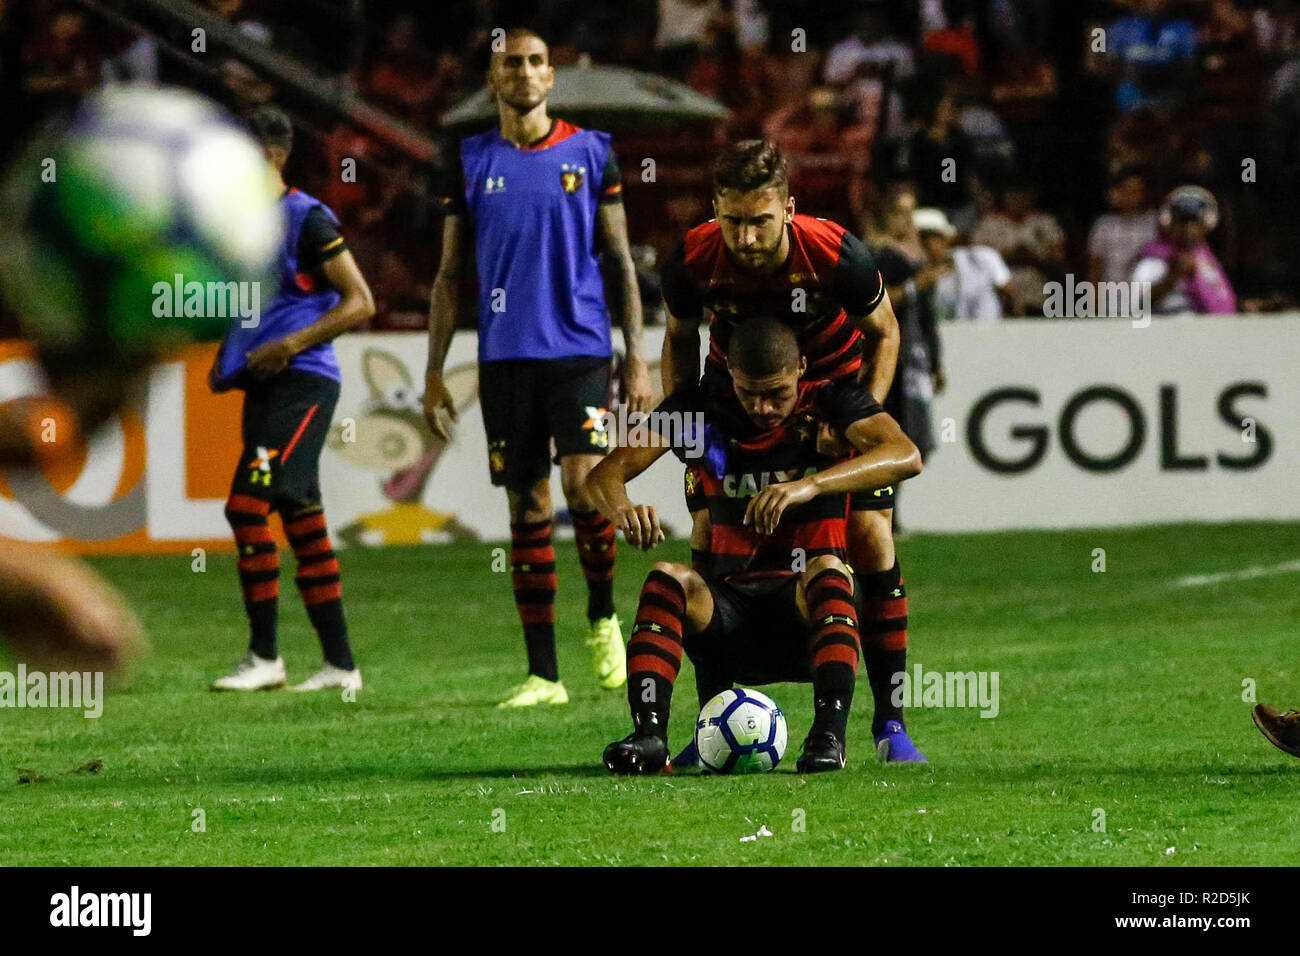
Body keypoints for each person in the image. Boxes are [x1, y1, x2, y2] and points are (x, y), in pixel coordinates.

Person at [660, 139, 927, 763]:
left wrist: (862, 413)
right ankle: (711, 723)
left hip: (835, 396)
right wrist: (685, 419)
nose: (747, 238)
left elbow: (884, 331)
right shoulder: (692, 260)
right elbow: (679, 335)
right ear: (714, 212)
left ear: (788, 208)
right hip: (740, 399)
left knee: (869, 539)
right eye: (733, 221)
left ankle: (889, 726)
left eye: (760, 220)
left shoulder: (835, 252)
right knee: (711, 535)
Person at [423, 29, 653, 707]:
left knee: (584, 486)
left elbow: (619, 260)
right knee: (526, 504)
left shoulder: (592, 152)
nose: (522, 73)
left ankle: (603, 613)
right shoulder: (467, 160)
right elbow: (447, 276)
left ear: (551, 77)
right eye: (509, 63)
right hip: (504, 357)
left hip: (579, 348)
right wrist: (435, 371)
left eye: (533, 62)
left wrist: (635, 355)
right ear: (493, 80)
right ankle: (543, 675)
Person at [589, 319, 922, 773]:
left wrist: (809, 486)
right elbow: (603, 475)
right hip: (729, 619)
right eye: (750, 394)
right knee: (667, 578)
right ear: (730, 375)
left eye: (777, 394)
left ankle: (828, 737)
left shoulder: (833, 403)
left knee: (828, 567)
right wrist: (623, 508)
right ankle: (649, 736)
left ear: (802, 368)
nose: (763, 407)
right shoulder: (699, 410)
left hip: (810, 620)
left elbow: (906, 456)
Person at [208, 106, 376, 692]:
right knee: (301, 517)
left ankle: (264, 657)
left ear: (271, 155)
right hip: (264, 383)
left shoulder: (307, 219)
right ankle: (340, 665)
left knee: (246, 505)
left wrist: (291, 343)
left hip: (304, 379)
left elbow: (360, 301)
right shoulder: (236, 223)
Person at [1130, 186, 1236, 316]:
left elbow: (1222, 302)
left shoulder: (1205, 257)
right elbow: (1137, 304)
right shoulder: (1154, 259)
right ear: (1169, 223)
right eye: (1182, 223)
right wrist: (1173, 277)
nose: (1188, 230)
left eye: (1195, 223)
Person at [915, 206, 1020, 320]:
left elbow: (1011, 297)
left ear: (946, 239)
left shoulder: (982, 257)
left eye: (931, 237)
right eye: (921, 239)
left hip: (990, 332)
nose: (927, 244)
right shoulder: (917, 276)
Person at [1087, 167, 1158, 286]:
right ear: (1117, 193)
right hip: (1112, 296)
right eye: (1127, 191)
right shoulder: (1103, 225)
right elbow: (1094, 270)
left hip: (1148, 296)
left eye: (1136, 191)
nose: (1131, 196)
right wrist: (1094, 301)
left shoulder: (1155, 223)